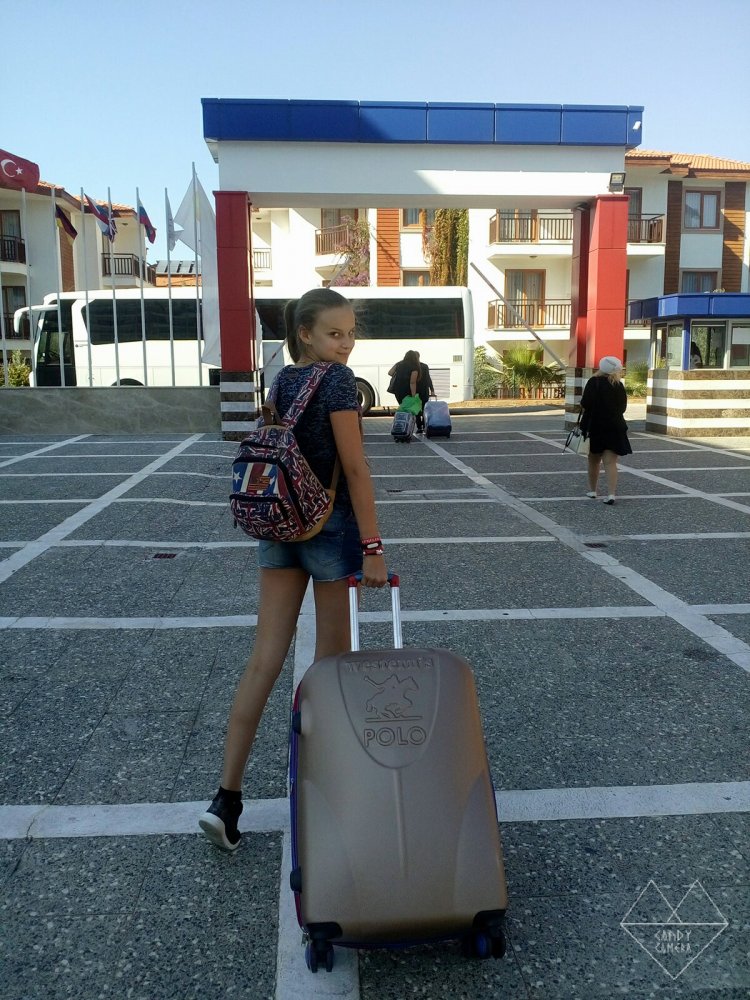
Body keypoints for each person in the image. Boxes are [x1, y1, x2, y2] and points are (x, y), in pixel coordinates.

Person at [199, 288, 388, 852]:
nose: (346, 344)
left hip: (278, 526)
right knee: (332, 670)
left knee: (264, 660)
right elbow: (355, 468)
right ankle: (328, 798)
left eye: (351, 333)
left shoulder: (282, 380)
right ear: (306, 333)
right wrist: (373, 546)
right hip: (330, 530)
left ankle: (226, 799)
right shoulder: (338, 382)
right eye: (335, 333)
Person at [579, 356, 632, 506]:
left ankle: (593, 490)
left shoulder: (593, 382)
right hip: (614, 427)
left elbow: (585, 403)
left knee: (593, 461)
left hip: (594, 427)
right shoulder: (618, 385)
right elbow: (623, 408)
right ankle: (611, 494)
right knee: (610, 463)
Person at [387, 350, 422, 428]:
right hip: (407, 391)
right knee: (412, 409)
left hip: (397, 390)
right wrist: (414, 396)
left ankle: (401, 425)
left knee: (403, 408)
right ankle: (412, 426)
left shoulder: (399, 364)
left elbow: (390, 372)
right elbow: (412, 382)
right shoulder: (414, 367)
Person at [414, 352, 435, 433]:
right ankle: (424, 425)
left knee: (417, 410)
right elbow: (428, 379)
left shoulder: (412, 367)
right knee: (424, 409)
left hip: (415, 392)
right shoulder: (424, 366)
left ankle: (419, 427)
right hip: (424, 391)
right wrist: (432, 390)